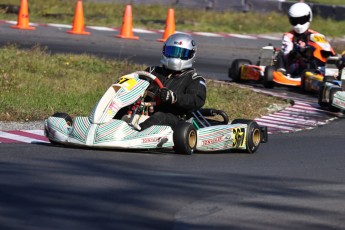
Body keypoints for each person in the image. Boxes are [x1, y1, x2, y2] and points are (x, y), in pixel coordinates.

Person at [138, 33, 207, 131]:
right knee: (124, 109)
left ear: (191, 54)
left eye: (181, 53)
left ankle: (136, 132)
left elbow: (196, 100)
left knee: (160, 117)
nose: (175, 56)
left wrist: (174, 97)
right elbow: (137, 84)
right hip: (147, 111)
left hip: (177, 118)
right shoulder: (152, 71)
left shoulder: (194, 79)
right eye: (171, 51)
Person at [280, 2, 335, 76]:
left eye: (302, 20)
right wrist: (298, 51)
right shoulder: (288, 36)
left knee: (315, 54)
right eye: (295, 21)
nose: (298, 24)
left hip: (313, 65)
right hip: (295, 66)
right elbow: (286, 56)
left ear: (309, 18)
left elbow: (329, 51)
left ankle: (326, 70)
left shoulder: (317, 35)